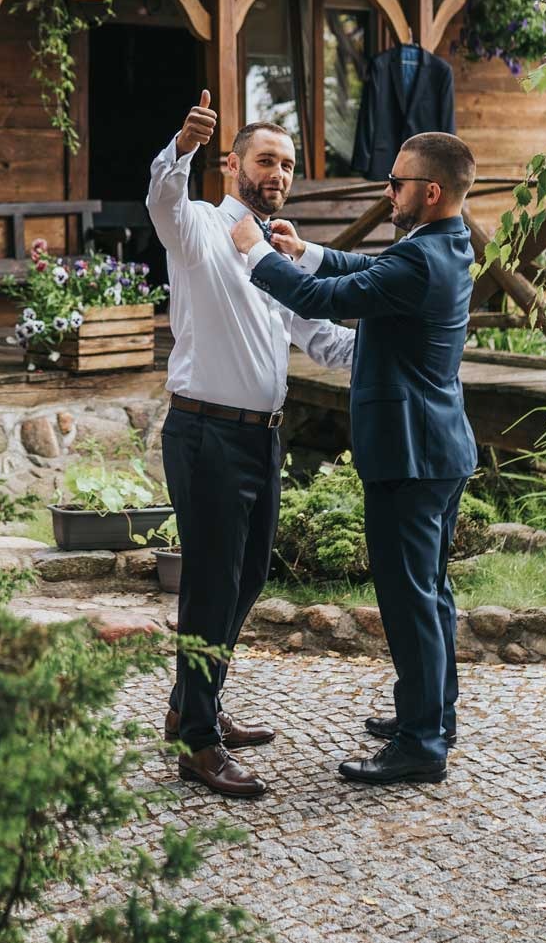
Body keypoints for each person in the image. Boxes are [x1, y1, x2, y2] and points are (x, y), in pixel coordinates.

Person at [230, 131, 477, 786]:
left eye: (394, 183)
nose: (385, 191)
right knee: (432, 593)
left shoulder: (421, 260)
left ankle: (422, 743)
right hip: (437, 445)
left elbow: (328, 300)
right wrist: (305, 251)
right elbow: (364, 274)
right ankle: (434, 713)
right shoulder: (444, 241)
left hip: (411, 454)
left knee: (408, 599)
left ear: (429, 191)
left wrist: (257, 253)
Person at [148, 90, 356, 799]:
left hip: (262, 438)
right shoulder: (201, 225)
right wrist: (183, 145)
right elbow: (161, 199)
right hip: (204, 431)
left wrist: (399, 351)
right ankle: (198, 742)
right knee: (211, 584)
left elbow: (320, 336)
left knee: (250, 577)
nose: (279, 173)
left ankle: (191, 701)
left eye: (289, 165)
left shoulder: (272, 248)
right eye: (268, 159)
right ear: (234, 163)